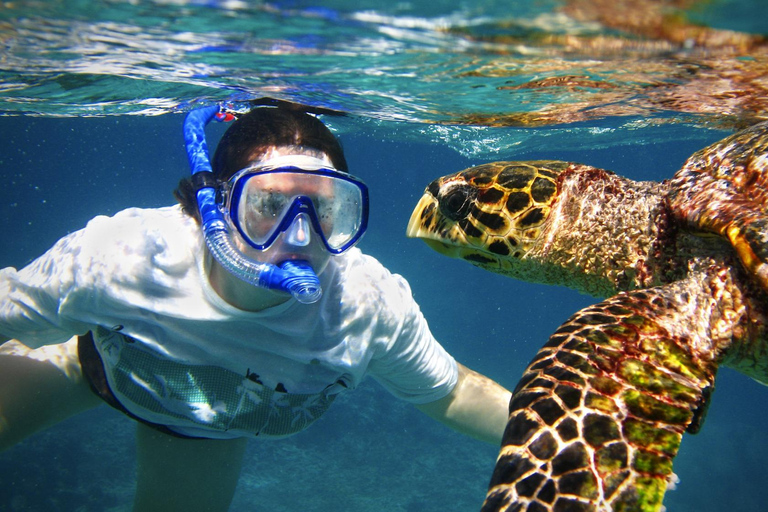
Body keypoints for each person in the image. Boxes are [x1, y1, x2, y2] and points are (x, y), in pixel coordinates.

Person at [0, 102, 511, 511]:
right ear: (213, 209)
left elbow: (452, 390)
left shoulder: (366, 304)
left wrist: (574, 437)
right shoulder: (126, 256)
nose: (301, 234)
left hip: (205, 430)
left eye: (327, 207)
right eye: (268, 204)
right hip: (92, 366)